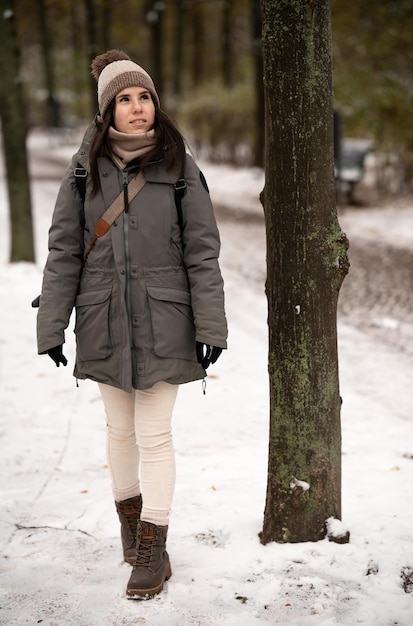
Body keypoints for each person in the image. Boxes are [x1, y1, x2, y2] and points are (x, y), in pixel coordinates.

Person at [36, 49, 227, 599]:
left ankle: (154, 546)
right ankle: (131, 526)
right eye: (125, 99)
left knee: (154, 433)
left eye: (144, 97)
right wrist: (53, 325)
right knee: (119, 431)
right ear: (107, 112)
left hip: (167, 318)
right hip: (103, 317)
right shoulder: (82, 171)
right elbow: (64, 251)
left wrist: (210, 324)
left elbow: (203, 252)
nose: (138, 108)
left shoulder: (180, 166)